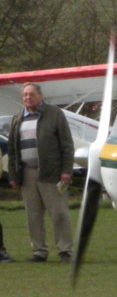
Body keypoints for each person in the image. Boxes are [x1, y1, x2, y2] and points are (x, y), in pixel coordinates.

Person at [7, 83, 75, 263]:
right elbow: (13, 150)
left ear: (40, 95)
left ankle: (65, 251)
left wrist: (66, 171)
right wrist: (13, 175)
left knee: (59, 213)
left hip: (52, 173)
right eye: (25, 95)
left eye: (31, 94)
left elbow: (67, 145)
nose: (28, 98)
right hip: (27, 174)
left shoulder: (55, 114)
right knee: (33, 216)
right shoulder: (17, 118)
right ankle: (39, 251)